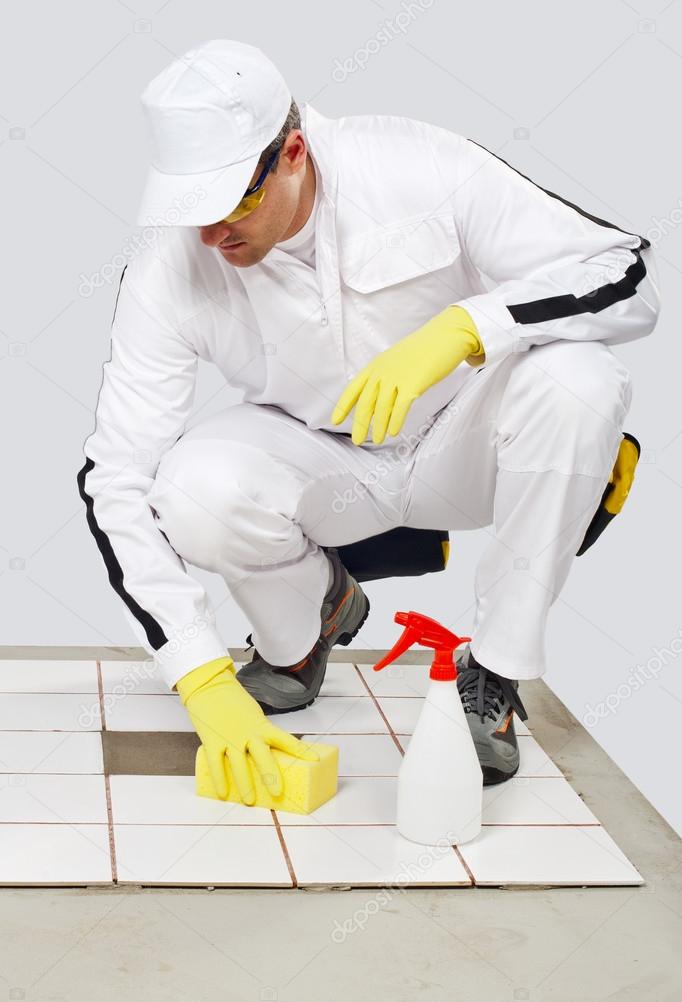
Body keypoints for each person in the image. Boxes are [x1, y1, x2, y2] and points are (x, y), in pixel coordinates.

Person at [77, 38, 660, 794]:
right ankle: (307, 627)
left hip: (468, 441)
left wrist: (467, 328)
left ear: (292, 151)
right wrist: (199, 673)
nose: (214, 236)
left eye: (234, 203)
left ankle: (494, 668)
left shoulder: (415, 164)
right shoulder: (171, 266)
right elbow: (115, 475)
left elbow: (626, 273)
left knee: (580, 382)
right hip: (326, 464)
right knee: (192, 487)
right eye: (192, 211)